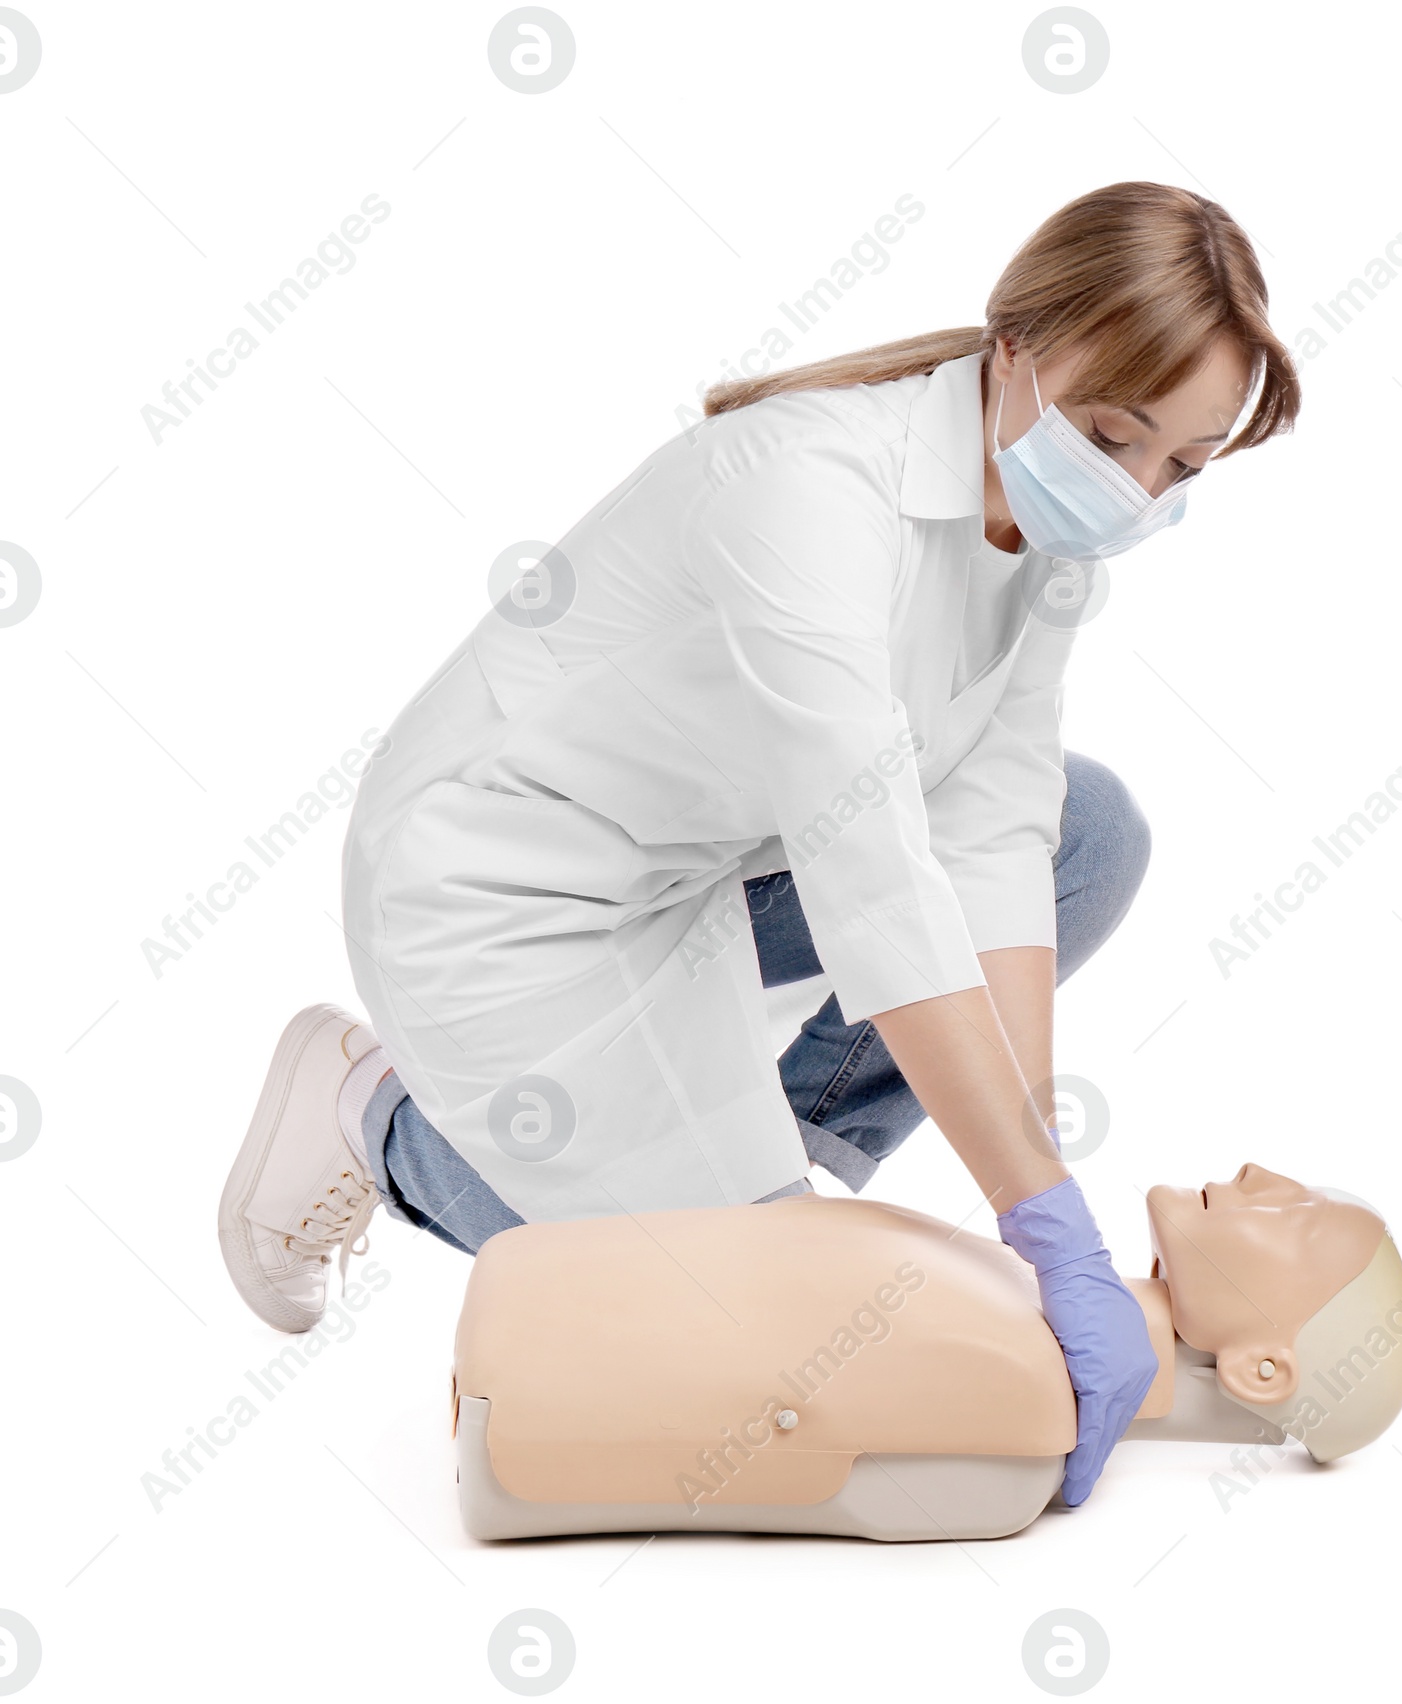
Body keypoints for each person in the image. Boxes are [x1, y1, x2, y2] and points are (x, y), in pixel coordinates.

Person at [217, 179, 1301, 1506]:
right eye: (1114, 435)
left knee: (1091, 836)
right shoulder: (808, 485)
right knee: (734, 1343)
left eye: (1181, 468)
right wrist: (1037, 1215)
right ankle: (375, 1118)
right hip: (503, 883)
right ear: (1017, 346)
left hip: (704, 863)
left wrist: (1037, 1177)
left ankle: (773, 1193)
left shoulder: (1043, 527)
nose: (1135, 492)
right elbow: (876, 882)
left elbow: (998, 834)